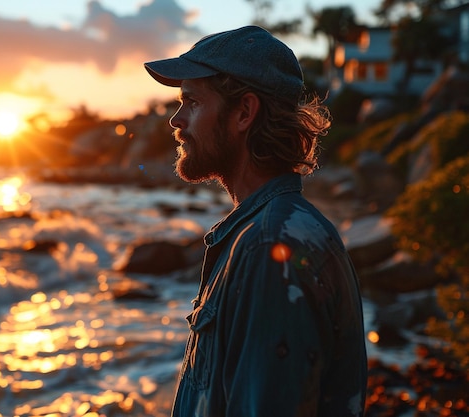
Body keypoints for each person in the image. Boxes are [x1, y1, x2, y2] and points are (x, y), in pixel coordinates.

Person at [144, 26, 368, 416]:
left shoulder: (269, 250)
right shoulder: (270, 229)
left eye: (192, 102)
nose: (176, 121)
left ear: (244, 112)